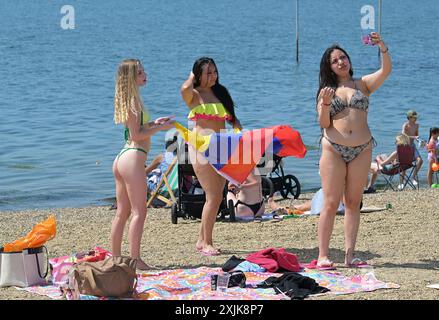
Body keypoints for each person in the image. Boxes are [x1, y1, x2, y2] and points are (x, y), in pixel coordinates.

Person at [315, 32, 391, 269]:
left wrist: (382, 48)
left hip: (362, 148)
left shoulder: (363, 84)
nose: (341, 62)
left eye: (343, 57)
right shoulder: (326, 91)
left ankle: (350, 256)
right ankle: (323, 255)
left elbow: (385, 71)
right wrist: (326, 104)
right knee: (330, 202)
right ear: (329, 67)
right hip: (333, 149)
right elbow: (323, 123)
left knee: (353, 202)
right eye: (335, 60)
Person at [111, 59, 175, 270]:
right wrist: (162, 128)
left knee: (122, 213)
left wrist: (154, 123)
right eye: (139, 72)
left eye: (143, 70)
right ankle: (135, 260)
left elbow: (136, 128)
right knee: (139, 212)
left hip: (123, 157)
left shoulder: (131, 100)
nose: (144, 74)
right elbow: (137, 135)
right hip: (133, 157)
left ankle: (116, 259)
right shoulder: (134, 102)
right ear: (131, 78)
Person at [181, 57, 242, 256]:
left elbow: (234, 120)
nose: (213, 75)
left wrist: (240, 136)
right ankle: (207, 242)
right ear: (197, 75)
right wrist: (193, 75)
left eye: (214, 71)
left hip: (223, 145)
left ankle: (201, 240)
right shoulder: (194, 95)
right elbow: (183, 88)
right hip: (201, 147)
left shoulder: (221, 92)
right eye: (208, 72)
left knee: (217, 196)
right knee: (213, 196)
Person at [402, 110, 423, 185]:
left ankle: (413, 177)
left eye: (416, 117)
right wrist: (414, 137)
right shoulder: (406, 125)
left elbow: (416, 136)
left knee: (420, 161)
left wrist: (420, 141)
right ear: (410, 118)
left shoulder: (417, 125)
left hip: (412, 146)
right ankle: (401, 183)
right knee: (404, 164)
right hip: (405, 146)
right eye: (414, 117)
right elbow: (403, 136)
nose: (416, 119)